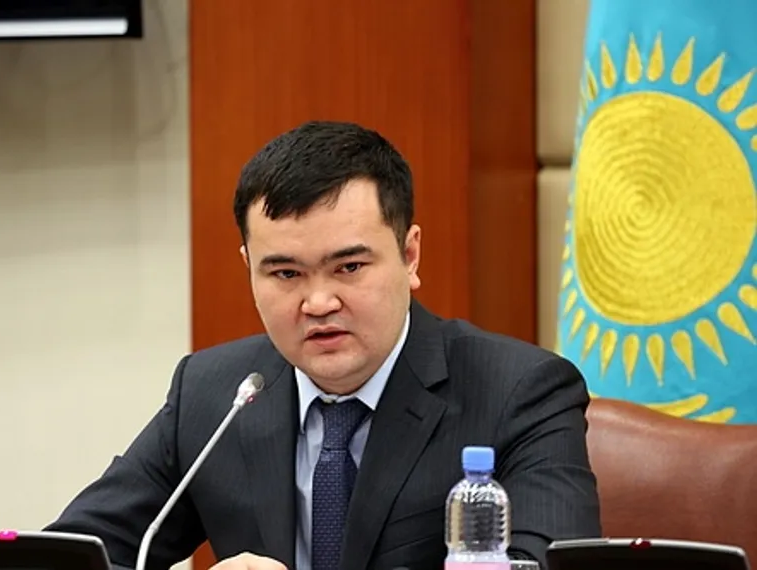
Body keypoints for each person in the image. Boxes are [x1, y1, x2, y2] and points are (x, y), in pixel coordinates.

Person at [46, 121, 602, 570]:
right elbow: (73, 555)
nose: (317, 302)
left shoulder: (518, 391)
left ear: (410, 256)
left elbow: (542, 564)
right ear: (249, 269)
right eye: (285, 274)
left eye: (349, 267)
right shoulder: (213, 395)